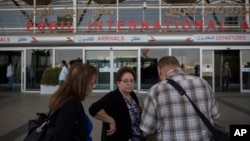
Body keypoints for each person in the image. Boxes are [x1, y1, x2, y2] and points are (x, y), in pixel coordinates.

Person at [140, 56, 220, 141]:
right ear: (179, 67)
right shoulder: (204, 83)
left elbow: (147, 129)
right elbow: (215, 115)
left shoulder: (155, 90)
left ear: (159, 70)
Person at [89, 67, 145, 141]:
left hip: (137, 136)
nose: (129, 84)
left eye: (132, 81)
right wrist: (110, 120)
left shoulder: (132, 94)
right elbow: (93, 109)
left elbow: (132, 109)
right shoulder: (113, 97)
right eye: (125, 81)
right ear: (118, 83)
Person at [49, 62, 97, 141]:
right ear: (81, 83)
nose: (94, 86)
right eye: (91, 83)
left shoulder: (64, 98)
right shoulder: (71, 105)